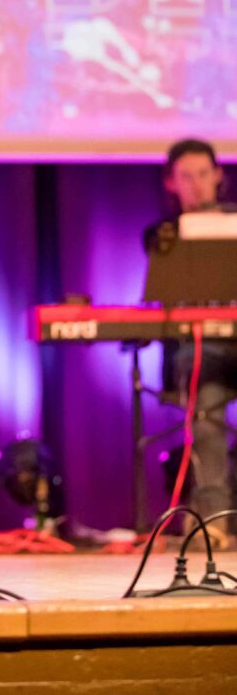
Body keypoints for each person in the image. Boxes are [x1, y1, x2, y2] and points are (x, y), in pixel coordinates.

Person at [144, 138, 237, 548]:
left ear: (218, 176)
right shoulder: (163, 236)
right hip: (203, 351)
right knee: (206, 412)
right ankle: (213, 522)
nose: (197, 185)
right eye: (186, 176)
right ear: (171, 182)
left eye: (203, 174)